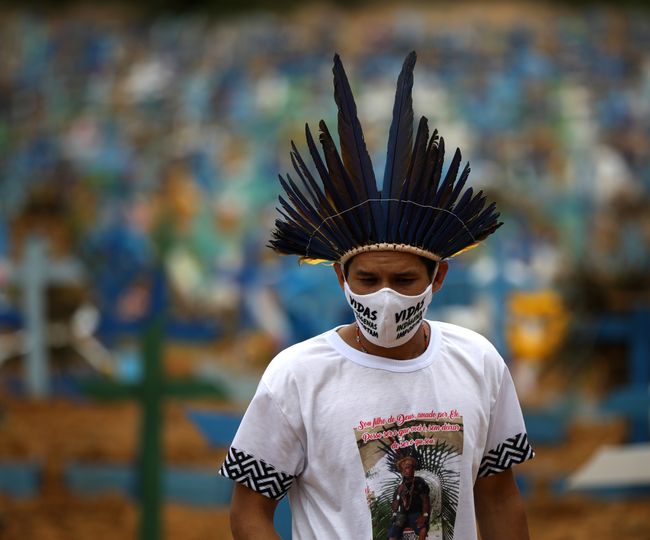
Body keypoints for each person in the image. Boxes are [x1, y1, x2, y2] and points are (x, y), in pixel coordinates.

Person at [219, 51, 534, 539]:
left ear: (439, 278)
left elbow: (499, 497)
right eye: (367, 280)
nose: (385, 297)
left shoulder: (479, 362)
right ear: (341, 279)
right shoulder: (297, 377)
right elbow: (249, 509)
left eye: (405, 281)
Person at [388, 456, 430, 540]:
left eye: (407, 467)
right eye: (402, 469)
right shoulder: (400, 487)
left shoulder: (419, 482)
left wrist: (424, 516)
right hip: (402, 516)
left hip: (415, 514)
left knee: (423, 530)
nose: (404, 471)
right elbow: (394, 506)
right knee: (392, 535)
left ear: (413, 468)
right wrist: (394, 505)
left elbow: (426, 501)